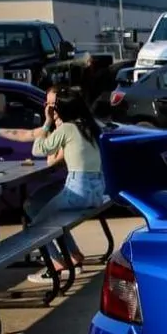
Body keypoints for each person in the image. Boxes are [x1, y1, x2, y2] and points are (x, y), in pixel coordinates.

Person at [25, 91, 106, 281]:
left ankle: (56, 263)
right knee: (40, 207)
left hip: (77, 192)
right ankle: (73, 254)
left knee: (35, 226)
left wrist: (46, 122)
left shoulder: (68, 128)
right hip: (96, 193)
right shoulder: (92, 127)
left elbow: (37, 150)